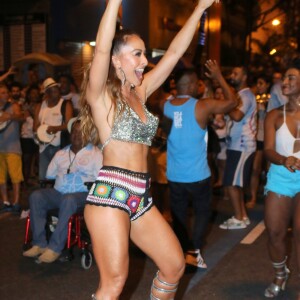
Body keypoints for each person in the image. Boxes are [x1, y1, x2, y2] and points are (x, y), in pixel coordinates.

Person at [80, 0, 219, 299]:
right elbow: (102, 49)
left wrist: (199, 9)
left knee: (173, 266)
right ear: (116, 61)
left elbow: (174, 53)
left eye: (144, 53)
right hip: (111, 195)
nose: (145, 60)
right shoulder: (101, 95)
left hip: (141, 195)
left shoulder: (140, 93)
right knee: (113, 284)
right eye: (137, 54)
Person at [163, 63, 237, 269]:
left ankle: (181, 251)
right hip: (198, 175)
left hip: (174, 175)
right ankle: (194, 251)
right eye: (198, 83)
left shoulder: (165, 105)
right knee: (202, 212)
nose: (201, 86)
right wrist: (218, 75)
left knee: (178, 215)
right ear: (192, 85)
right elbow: (232, 102)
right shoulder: (202, 106)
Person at [23, 119, 103, 263]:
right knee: (36, 196)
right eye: (74, 132)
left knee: (69, 199)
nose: (77, 135)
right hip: (59, 193)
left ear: (88, 134)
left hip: (82, 195)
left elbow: (102, 180)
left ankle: (55, 248)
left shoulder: (96, 153)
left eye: (81, 132)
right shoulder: (61, 154)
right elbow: (49, 176)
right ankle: (39, 244)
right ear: (70, 134)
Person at [263, 66, 300, 298]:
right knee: (275, 232)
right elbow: (267, 150)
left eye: (291, 77)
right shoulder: (275, 115)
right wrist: (283, 159)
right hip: (280, 177)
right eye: (284, 76)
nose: (284, 80)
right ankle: (280, 273)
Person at [219, 66, 257, 229]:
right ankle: (243, 215)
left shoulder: (246, 95)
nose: (232, 76)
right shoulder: (240, 95)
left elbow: (236, 115)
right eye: (232, 72)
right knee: (235, 182)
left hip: (242, 145)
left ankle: (239, 218)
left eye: (236, 73)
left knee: (231, 183)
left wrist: (219, 78)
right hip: (237, 145)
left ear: (245, 76)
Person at [33, 77, 73, 180]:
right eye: (52, 90)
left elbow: (70, 125)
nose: (56, 92)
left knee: (60, 176)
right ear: (46, 92)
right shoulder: (39, 106)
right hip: (43, 147)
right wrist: (41, 129)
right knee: (43, 176)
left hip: (59, 146)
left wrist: (55, 128)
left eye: (56, 89)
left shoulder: (65, 104)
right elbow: (35, 126)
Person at [246, 74, 271, 209]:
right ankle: (253, 197)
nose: (259, 86)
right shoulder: (253, 98)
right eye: (258, 83)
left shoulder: (273, 99)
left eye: (262, 83)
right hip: (256, 138)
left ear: (267, 84)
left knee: (269, 170)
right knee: (255, 169)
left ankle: (270, 197)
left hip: (269, 138)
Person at [0, 84, 24, 212]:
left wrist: (9, 116)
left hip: (12, 147)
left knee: (15, 177)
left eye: (4, 92)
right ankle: (5, 201)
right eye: (1, 92)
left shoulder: (13, 106)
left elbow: (21, 117)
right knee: (1, 177)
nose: (2, 94)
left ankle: (16, 202)